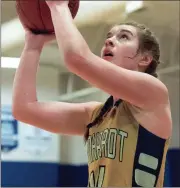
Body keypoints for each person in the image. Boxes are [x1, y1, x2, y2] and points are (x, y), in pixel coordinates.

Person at [12, 1, 172, 187]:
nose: (109, 40)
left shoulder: (153, 94)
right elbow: (24, 109)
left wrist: (58, 6)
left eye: (124, 37)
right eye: (109, 36)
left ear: (144, 59)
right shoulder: (95, 115)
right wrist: (33, 44)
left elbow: (77, 59)